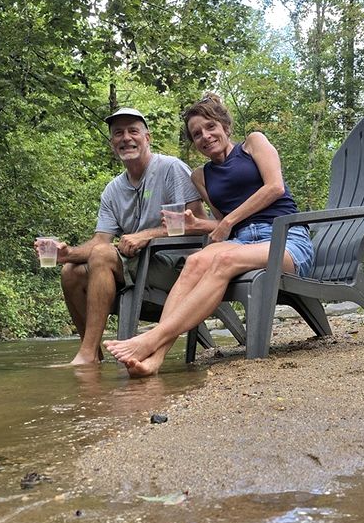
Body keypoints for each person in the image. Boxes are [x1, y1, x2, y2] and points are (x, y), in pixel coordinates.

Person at [103, 93, 314, 377]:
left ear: (225, 126)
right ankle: (155, 359)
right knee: (194, 263)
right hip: (240, 242)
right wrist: (193, 223)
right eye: (197, 134)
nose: (205, 136)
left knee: (221, 261)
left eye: (211, 127)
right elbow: (217, 224)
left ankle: (151, 339)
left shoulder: (254, 143)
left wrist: (228, 221)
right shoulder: (201, 176)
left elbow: (275, 187)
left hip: (284, 238)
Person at [37, 107, 203, 365]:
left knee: (102, 256)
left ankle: (87, 355)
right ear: (112, 144)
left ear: (147, 137)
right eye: (118, 133)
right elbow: (99, 242)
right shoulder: (113, 190)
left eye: (133, 131)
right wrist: (67, 253)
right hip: (138, 266)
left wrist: (147, 234)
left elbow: (198, 222)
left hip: (179, 268)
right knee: (70, 271)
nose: (126, 138)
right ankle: (93, 354)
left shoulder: (171, 168)